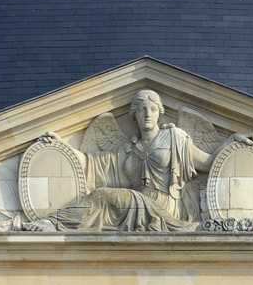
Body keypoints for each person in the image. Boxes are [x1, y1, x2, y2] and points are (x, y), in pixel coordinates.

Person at [55, 89, 214, 232]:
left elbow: (208, 163)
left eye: (153, 109)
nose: (148, 114)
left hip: (165, 209)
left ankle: (55, 222)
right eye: (142, 109)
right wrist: (62, 145)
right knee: (99, 198)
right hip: (136, 206)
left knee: (100, 196)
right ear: (134, 115)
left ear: (160, 114)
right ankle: (56, 222)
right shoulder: (128, 148)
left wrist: (232, 143)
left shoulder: (175, 138)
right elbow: (89, 163)